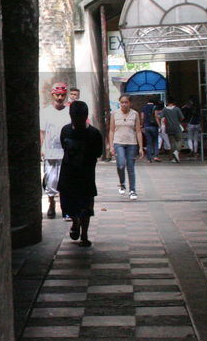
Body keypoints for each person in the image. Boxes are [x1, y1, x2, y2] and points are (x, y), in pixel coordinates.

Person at [58, 100, 104, 246]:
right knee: (68, 205)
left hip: (85, 176)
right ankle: (76, 222)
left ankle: (84, 235)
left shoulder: (94, 134)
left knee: (85, 207)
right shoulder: (65, 130)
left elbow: (98, 153)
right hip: (68, 175)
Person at [39, 82, 71, 218]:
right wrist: (42, 147)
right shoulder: (46, 112)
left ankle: (66, 208)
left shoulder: (69, 111)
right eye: (57, 94)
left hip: (66, 150)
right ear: (52, 95)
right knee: (51, 180)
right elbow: (42, 131)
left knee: (66, 180)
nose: (60, 97)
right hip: (50, 150)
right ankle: (51, 203)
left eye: (62, 95)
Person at [108, 93, 143, 200]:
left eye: (126, 102)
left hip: (131, 143)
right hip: (118, 142)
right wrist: (111, 146)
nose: (124, 104)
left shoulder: (135, 114)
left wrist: (141, 147)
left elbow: (138, 131)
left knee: (131, 168)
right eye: (122, 102)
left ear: (130, 103)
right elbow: (111, 130)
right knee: (121, 165)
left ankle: (132, 190)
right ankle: (122, 183)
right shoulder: (114, 114)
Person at [162, 96, 185, 163]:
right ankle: (177, 151)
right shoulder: (177, 109)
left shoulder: (164, 109)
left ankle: (174, 158)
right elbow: (182, 117)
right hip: (176, 127)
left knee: (172, 143)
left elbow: (161, 116)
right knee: (180, 140)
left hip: (169, 128)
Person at [141, 98, 160, 162]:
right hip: (154, 126)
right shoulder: (155, 107)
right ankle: (156, 156)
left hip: (147, 126)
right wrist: (159, 125)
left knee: (148, 142)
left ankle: (149, 158)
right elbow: (156, 116)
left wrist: (142, 125)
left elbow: (142, 117)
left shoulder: (144, 107)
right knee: (155, 141)